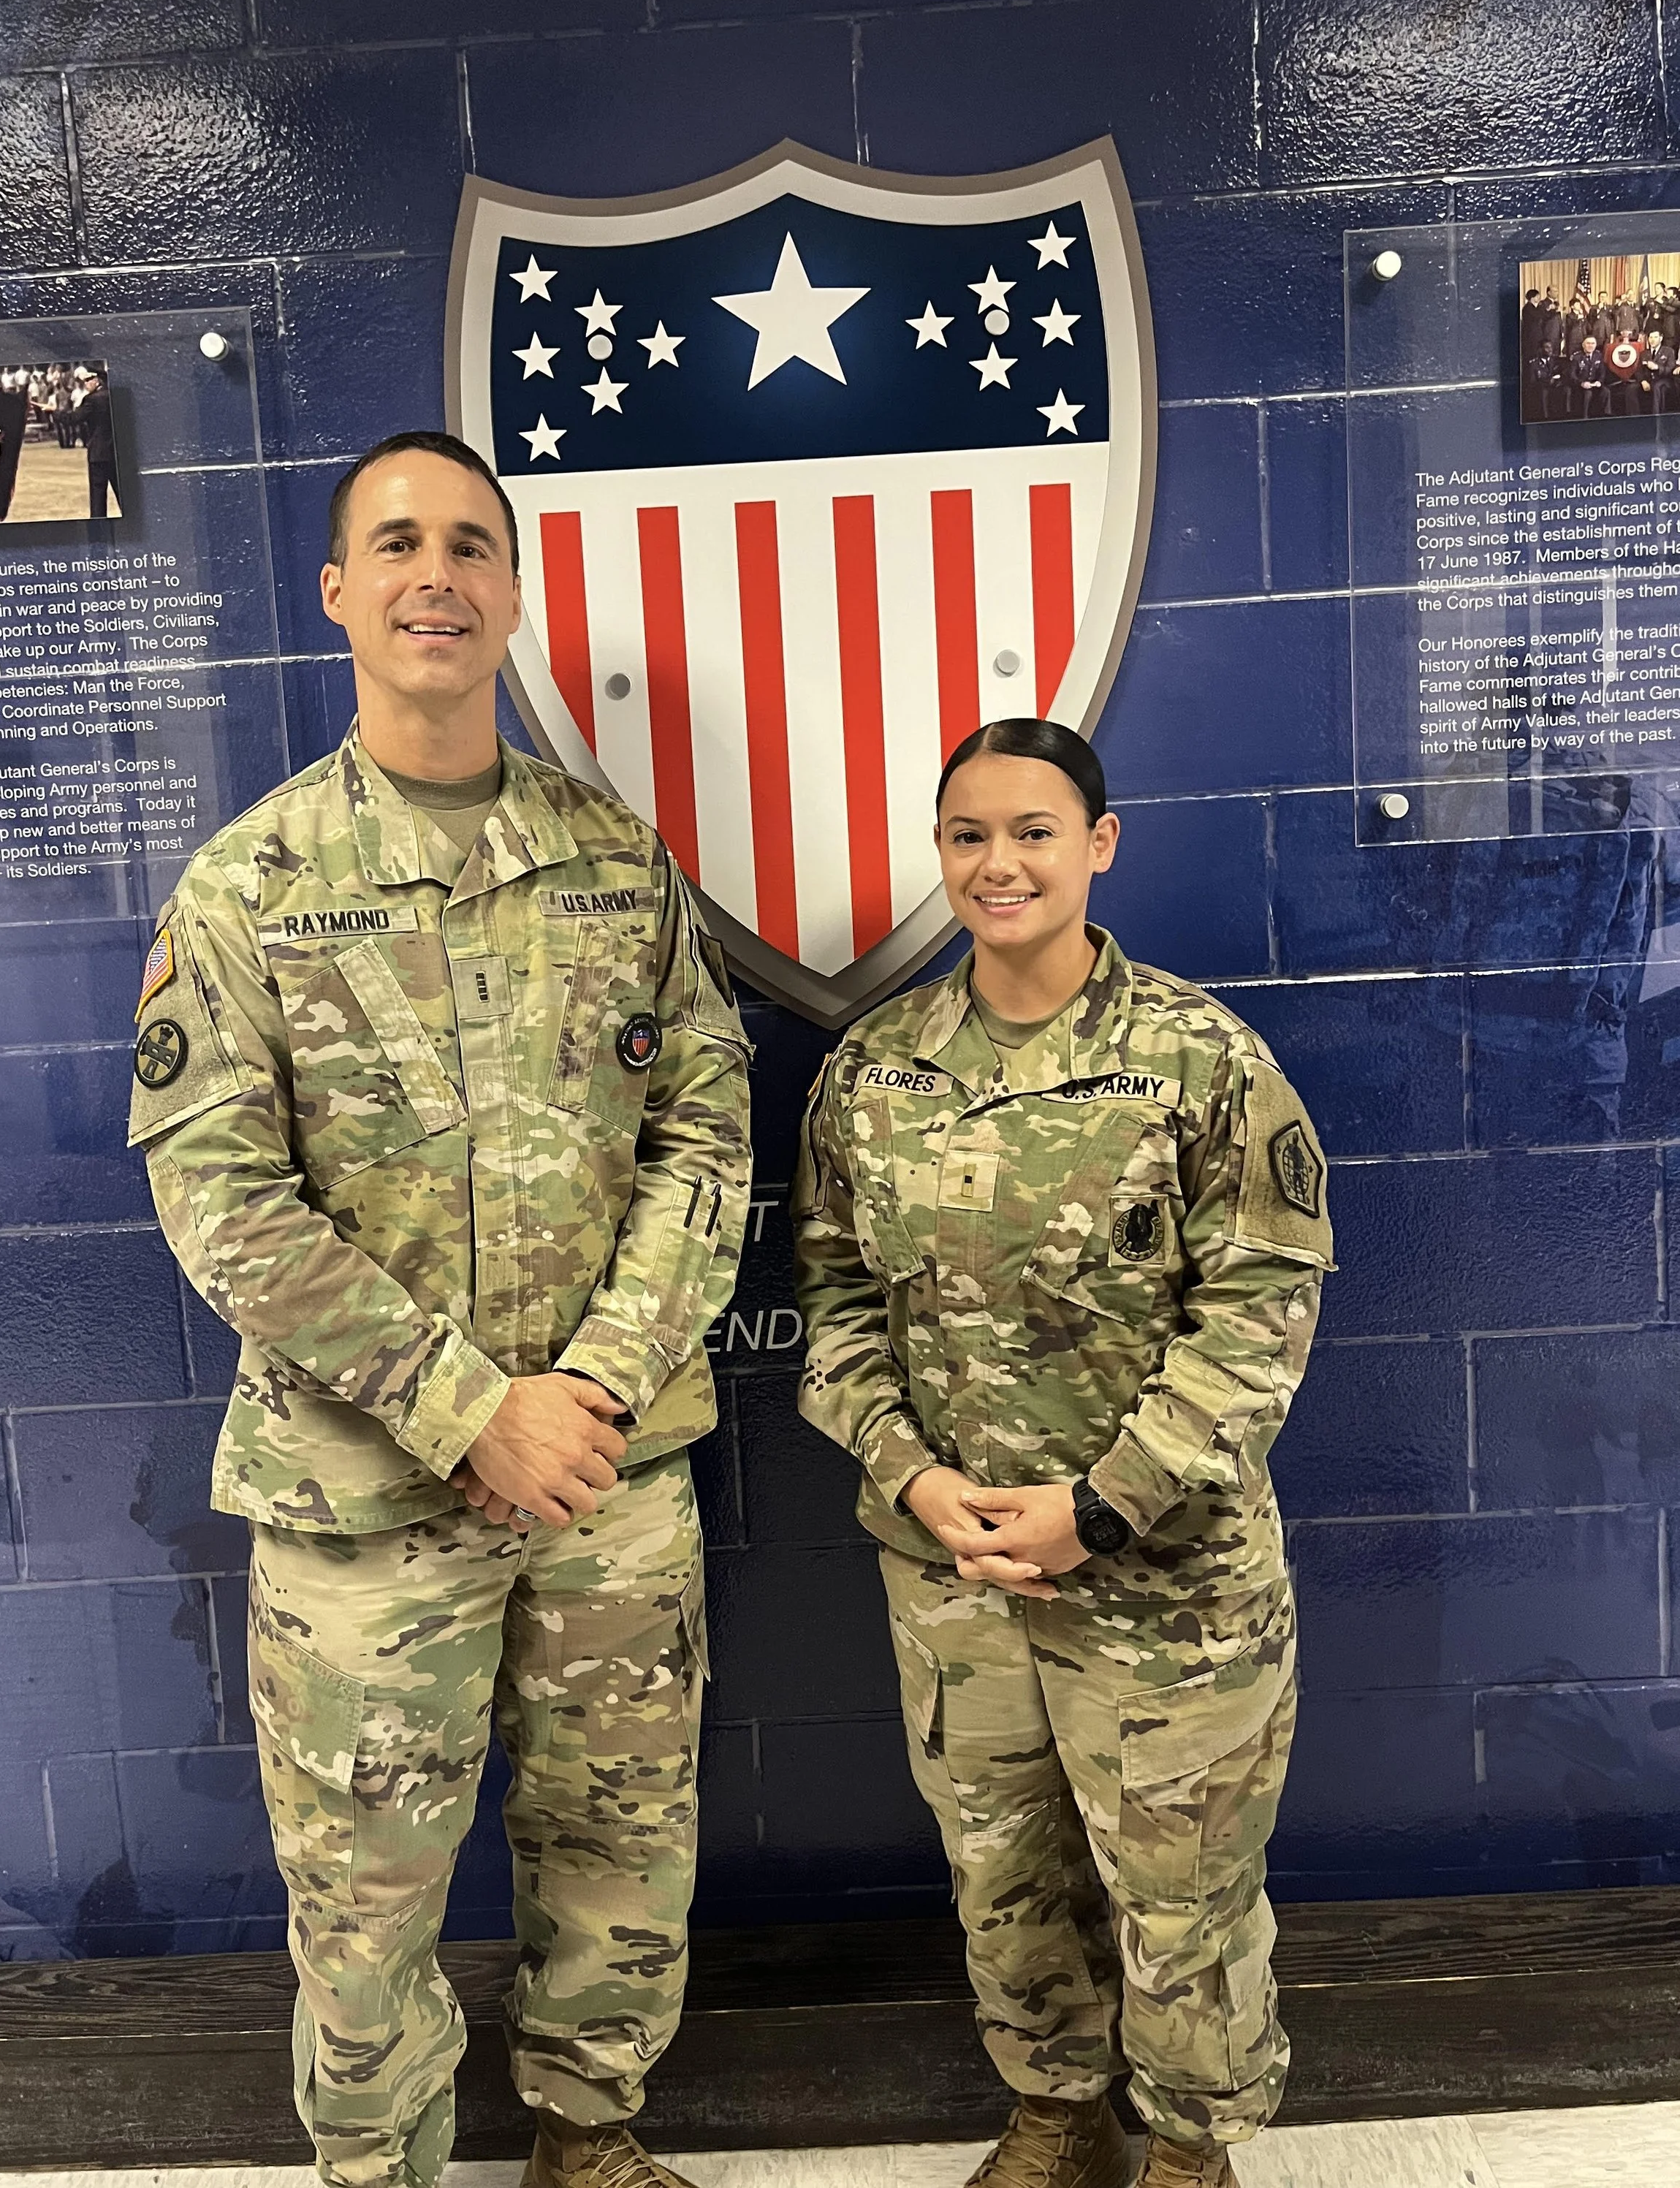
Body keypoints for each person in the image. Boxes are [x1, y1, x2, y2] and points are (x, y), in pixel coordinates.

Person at [127, 430, 753, 2188]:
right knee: (363, 1905)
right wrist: (476, 1410)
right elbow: (220, 1200)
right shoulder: (248, 886)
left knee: (621, 1854)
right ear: (337, 591)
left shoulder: (614, 861)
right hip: (364, 1496)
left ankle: (590, 2139)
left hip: (610, 1482)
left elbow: (707, 1132)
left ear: (512, 593)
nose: (437, 574)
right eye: (397, 542)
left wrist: (600, 1389)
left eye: (472, 545)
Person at [794, 719, 1333, 2188]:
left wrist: (1099, 1504)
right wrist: (907, 1471)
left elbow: (1259, 1314)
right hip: (957, 1576)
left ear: (1097, 844)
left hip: (1163, 1582)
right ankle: (1051, 2107)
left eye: (1033, 830)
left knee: (1182, 1897)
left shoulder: (1196, 1059)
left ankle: (1185, 2147)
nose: (997, 861)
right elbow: (831, 1294)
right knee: (1000, 1873)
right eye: (967, 833)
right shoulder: (873, 1069)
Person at [75, 367, 119, 516]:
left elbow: (74, 418)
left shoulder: (92, 400)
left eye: (88, 380)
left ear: (97, 380)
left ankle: (100, 534)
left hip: (99, 454)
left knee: (98, 500)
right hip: (117, 453)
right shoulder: (114, 396)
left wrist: (54, 411)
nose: (85, 384)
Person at [1570, 334, 1609, 420]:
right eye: (1588, 343)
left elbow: (1602, 372)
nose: (1590, 346)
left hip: (1595, 384)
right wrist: (1582, 383)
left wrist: (1600, 381)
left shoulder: (1598, 356)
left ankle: (1605, 416)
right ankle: (1585, 418)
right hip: (1581, 386)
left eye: (1593, 343)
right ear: (1583, 345)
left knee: (1606, 391)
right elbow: (1572, 375)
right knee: (1588, 394)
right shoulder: (1577, 357)